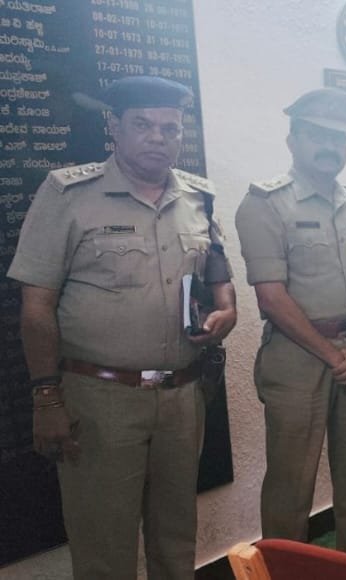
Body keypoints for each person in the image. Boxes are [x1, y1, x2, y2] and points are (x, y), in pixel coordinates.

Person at [11, 76, 237, 580]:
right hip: (101, 400)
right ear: (114, 126)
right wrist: (46, 398)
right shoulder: (69, 194)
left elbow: (219, 275)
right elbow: (36, 306)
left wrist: (228, 311)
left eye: (170, 128)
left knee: (176, 539)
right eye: (143, 125)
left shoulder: (198, 197)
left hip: (182, 396)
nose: (158, 137)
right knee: (104, 546)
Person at [236, 88, 346, 556]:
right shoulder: (265, 203)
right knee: (290, 484)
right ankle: (283, 570)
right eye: (318, 134)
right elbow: (271, 297)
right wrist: (336, 357)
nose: (329, 146)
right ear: (293, 139)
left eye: (339, 138)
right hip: (297, 358)